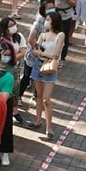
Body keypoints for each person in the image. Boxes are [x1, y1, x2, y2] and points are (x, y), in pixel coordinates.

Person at [28, 12, 65, 140]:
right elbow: (35, 50)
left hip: (50, 68)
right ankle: (38, 120)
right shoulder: (43, 35)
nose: (46, 22)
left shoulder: (60, 35)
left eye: (48, 20)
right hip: (38, 66)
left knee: (46, 100)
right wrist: (44, 54)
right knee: (38, 96)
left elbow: (57, 54)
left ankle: (49, 128)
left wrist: (43, 55)